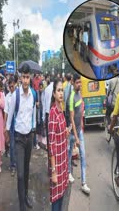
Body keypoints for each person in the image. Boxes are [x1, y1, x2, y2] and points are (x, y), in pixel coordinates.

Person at [5, 64, 36, 211]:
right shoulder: (15, 96)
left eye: (27, 77)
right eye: (23, 77)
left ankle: (26, 196)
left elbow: (33, 114)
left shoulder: (33, 95)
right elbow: (9, 118)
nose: (25, 80)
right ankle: (22, 205)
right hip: (18, 139)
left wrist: (33, 129)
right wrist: (7, 135)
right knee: (20, 175)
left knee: (27, 170)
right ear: (20, 78)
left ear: (30, 78)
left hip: (29, 137)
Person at [48, 80, 70, 211]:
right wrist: (54, 172)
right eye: (58, 90)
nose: (61, 93)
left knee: (62, 195)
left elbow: (59, 134)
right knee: (56, 200)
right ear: (54, 94)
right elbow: (51, 144)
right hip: (56, 164)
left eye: (62, 90)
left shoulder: (61, 109)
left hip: (63, 161)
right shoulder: (53, 113)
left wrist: (65, 132)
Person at [68, 73, 90, 194]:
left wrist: (82, 126)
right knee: (69, 153)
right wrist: (76, 137)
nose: (80, 84)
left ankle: (83, 183)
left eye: (80, 82)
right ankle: (68, 173)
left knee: (83, 155)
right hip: (72, 133)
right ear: (73, 83)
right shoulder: (71, 97)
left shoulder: (80, 94)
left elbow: (80, 111)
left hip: (79, 131)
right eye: (77, 82)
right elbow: (71, 118)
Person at [4, 76, 17, 176]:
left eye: (12, 86)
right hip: (11, 123)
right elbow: (6, 112)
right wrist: (5, 126)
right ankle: (13, 165)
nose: (11, 88)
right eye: (10, 87)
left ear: (16, 84)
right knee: (12, 146)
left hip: (19, 122)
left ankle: (19, 164)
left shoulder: (19, 95)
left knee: (19, 146)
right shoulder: (7, 97)